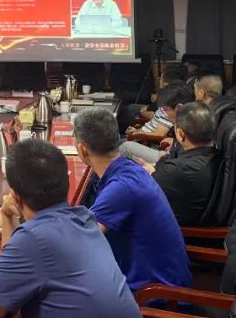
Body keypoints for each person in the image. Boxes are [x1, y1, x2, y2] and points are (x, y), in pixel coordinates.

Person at [0, 139, 157, 318]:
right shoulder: (84, 218)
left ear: (15, 196)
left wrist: (9, 215)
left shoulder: (34, 239)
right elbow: (12, 270)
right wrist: (7, 216)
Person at [73, 107, 190, 292]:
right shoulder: (129, 169)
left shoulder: (122, 187)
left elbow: (77, 244)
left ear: (82, 149)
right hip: (157, 281)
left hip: (156, 295)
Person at [144, 101, 221, 226]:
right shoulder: (218, 154)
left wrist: (148, 172)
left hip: (172, 229)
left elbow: (143, 191)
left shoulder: (175, 170)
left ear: (180, 134)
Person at [119, 82, 194, 165]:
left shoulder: (189, 125)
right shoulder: (189, 117)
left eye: (166, 110)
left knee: (124, 147)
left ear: (179, 107)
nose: (165, 114)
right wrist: (175, 143)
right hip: (173, 153)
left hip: (171, 160)